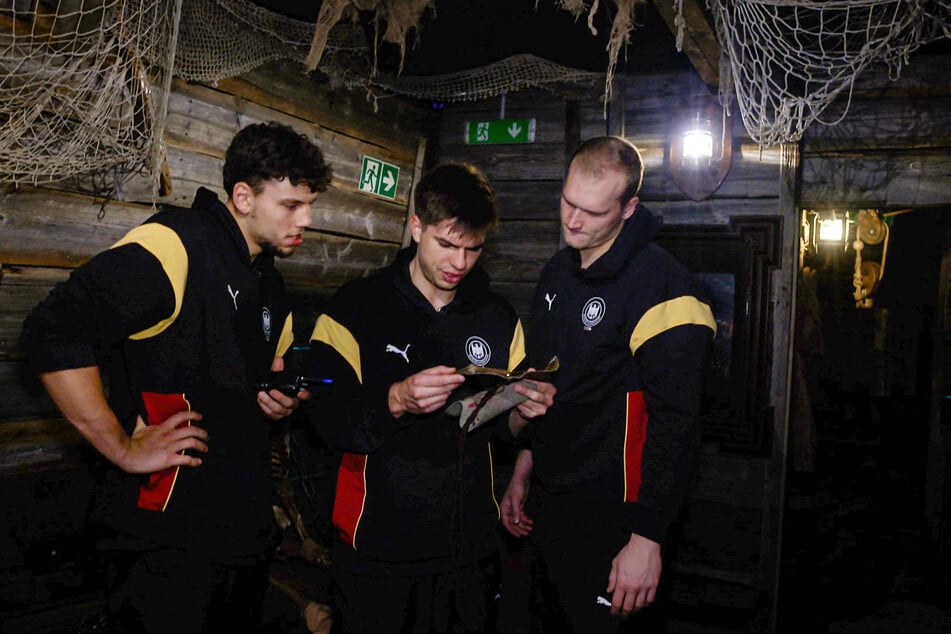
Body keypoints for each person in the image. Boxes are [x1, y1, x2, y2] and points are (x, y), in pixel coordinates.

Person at [19, 122, 332, 634]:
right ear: (243, 196)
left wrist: (278, 401)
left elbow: (253, 381)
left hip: (243, 531)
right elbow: (52, 330)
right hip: (167, 534)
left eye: (310, 205)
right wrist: (121, 446)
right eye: (292, 205)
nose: (308, 219)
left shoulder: (270, 283)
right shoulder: (175, 244)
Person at [304, 162, 556, 634]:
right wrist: (394, 400)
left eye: (473, 249)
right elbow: (322, 417)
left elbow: (504, 433)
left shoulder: (498, 317)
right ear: (417, 227)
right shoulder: (355, 307)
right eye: (446, 244)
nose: (459, 263)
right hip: (376, 547)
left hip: (470, 550)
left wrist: (524, 413)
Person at [500, 136, 716, 633]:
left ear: (628, 208)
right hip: (550, 506)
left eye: (592, 212)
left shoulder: (665, 289)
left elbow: (676, 427)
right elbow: (545, 387)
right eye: (568, 202)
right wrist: (522, 471)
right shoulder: (556, 272)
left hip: (616, 523)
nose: (573, 221)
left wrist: (648, 539)